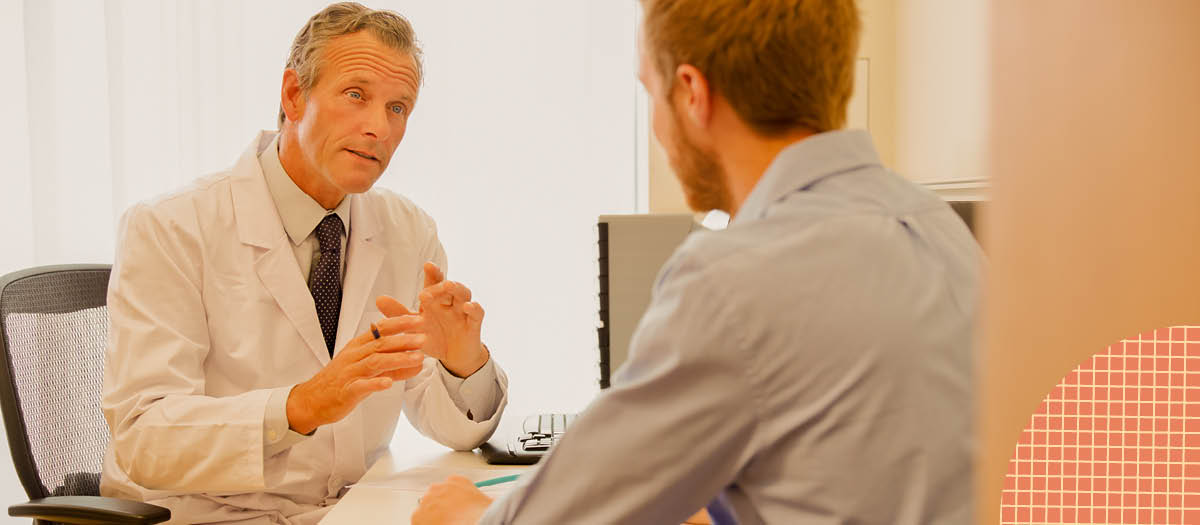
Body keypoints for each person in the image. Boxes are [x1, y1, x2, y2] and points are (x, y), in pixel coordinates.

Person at [413, 0, 981, 523]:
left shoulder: (733, 277)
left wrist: (465, 516)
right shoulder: (945, 234)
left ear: (691, 93)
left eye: (650, 94)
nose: (657, 128)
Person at [99, 3, 508, 524]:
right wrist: (302, 406)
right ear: (294, 95)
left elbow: (453, 427)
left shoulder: (410, 231)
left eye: (398, 107)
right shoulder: (170, 227)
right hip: (207, 515)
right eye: (356, 95)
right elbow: (145, 438)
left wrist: (461, 363)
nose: (379, 128)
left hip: (348, 511)